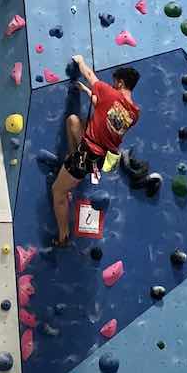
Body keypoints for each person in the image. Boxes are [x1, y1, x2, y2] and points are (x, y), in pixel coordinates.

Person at [50, 55, 140, 246]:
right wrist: (84, 90)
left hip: (87, 154)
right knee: (73, 122)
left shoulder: (110, 93)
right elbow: (106, 107)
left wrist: (80, 61)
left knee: (57, 192)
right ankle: (71, 166)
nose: (113, 84)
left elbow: (90, 75)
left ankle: (62, 237)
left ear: (120, 82)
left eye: (115, 82)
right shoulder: (134, 113)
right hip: (99, 157)